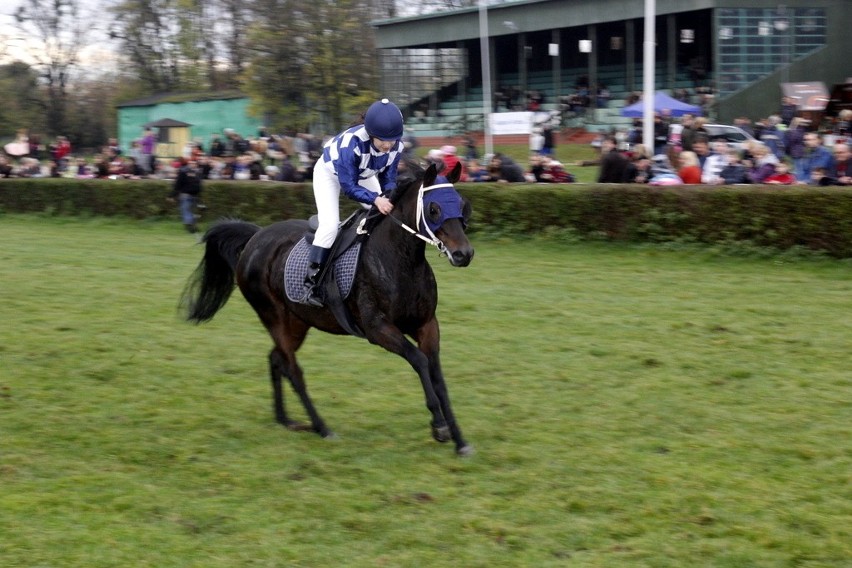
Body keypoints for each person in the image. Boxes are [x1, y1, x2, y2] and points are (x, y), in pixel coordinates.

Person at [304, 98, 403, 305]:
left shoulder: (395, 145)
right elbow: (349, 187)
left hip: (364, 174)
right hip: (329, 174)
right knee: (330, 225)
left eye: (391, 140)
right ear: (371, 134)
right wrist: (376, 199)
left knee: (385, 213)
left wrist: (387, 195)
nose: (387, 145)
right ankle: (311, 283)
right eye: (382, 141)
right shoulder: (352, 143)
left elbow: (388, 177)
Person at [169, 157, 203, 234]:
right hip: (194, 195)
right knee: (191, 211)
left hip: (186, 195)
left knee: (186, 211)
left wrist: (171, 195)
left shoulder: (183, 172)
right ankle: (194, 226)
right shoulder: (198, 173)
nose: (192, 164)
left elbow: (177, 185)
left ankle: (190, 226)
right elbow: (200, 186)